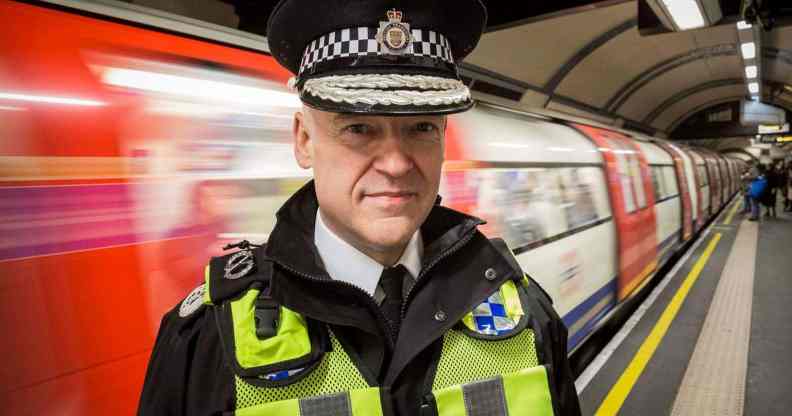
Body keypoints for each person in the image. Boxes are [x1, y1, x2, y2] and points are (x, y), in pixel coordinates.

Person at [137, 1, 581, 415]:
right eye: (358, 128)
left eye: (422, 127)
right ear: (304, 141)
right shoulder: (207, 341)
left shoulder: (526, 314)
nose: (395, 163)